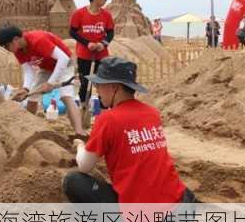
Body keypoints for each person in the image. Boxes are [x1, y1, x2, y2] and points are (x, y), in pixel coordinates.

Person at [62, 57, 197, 204]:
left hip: (142, 219)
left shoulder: (108, 119)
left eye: (99, 84)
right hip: (180, 208)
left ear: (114, 87)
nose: (97, 90)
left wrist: (81, 146)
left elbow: (84, 166)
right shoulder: (152, 113)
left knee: (73, 181)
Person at [0, 25, 87, 137]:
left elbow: (63, 59)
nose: (6, 49)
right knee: (32, 97)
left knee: (66, 96)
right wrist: (26, 89)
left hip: (65, 65)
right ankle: (28, 129)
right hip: (47, 67)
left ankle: (79, 132)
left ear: (15, 39)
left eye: (6, 45)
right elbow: (28, 71)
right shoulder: (18, 50)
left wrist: (50, 83)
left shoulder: (38, 40)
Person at [69, 0, 115, 108]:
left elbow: (110, 33)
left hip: (102, 56)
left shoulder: (106, 15)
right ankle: (84, 108)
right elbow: (72, 32)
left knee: (103, 84)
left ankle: (104, 112)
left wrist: (102, 44)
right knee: (85, 83)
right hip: (84, 56)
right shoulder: (79, 14)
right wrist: (87, 43)